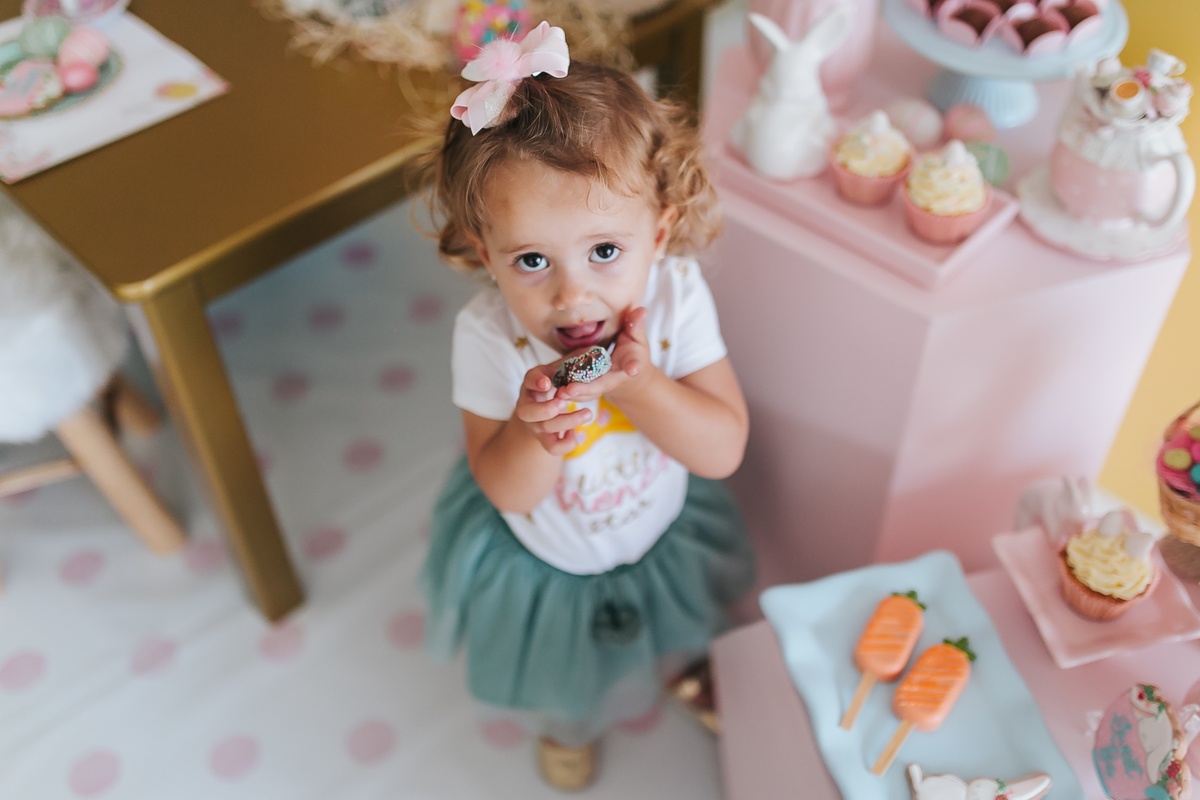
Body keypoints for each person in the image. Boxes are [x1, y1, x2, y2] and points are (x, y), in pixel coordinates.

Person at [420, 21, 755, 790]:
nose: (572, 296)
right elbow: (505, 490)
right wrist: (535, 433)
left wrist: (641, 384)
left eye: (605, 251)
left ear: (658, 234)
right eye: (532, 260)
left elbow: (722, 449)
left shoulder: (675, 296)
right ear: (484, 252)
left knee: (678, 619)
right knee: (562, 672)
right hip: (549, 564)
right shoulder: (489, 338)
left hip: (660, 530)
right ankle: (566, 725)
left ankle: (684, 668)